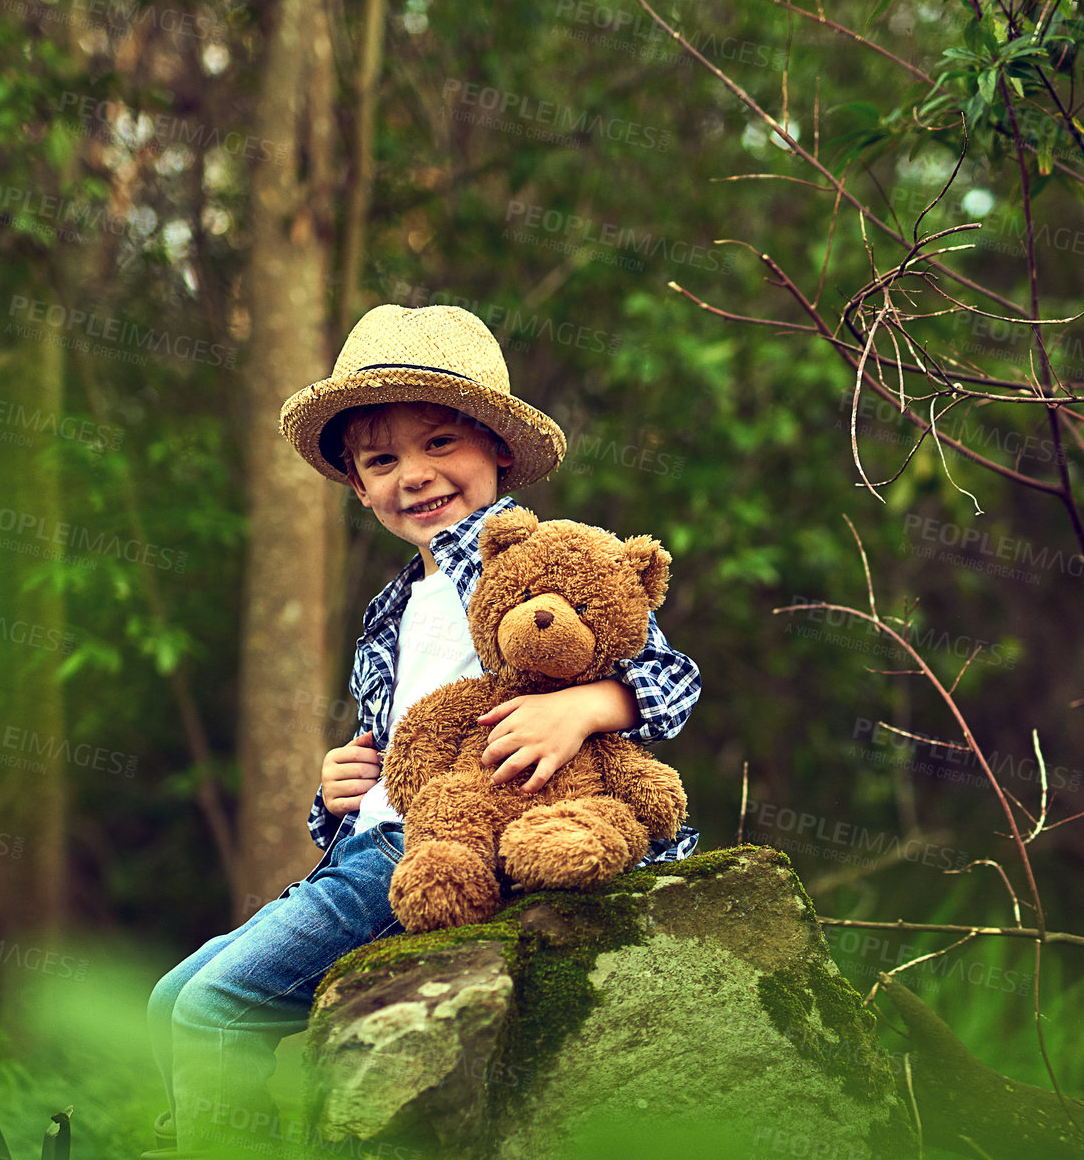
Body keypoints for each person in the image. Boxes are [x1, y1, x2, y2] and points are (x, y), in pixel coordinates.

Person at [146, 304, 701, 1155]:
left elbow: (670, 676)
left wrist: (586, 705)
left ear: (497, 451)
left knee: (215, 1008)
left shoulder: (533, 558)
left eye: (440, 443)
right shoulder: (396, 604)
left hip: (442, 843)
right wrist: (339, 792)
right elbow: (403, 743)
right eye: (382, 459)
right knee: (167, 999)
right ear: (357, 484)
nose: (414, 474)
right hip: (373, 837)